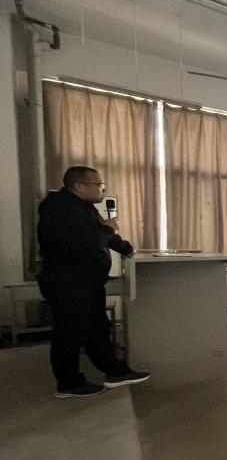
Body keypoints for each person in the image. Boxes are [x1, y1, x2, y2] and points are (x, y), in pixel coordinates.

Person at [37, 166, 150, 398]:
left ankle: (115, 371)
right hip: (68, 281)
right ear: (79, 186)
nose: (102, 189)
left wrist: (125, 247)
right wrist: (108, 230)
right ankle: (68, 384)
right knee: (70, 332)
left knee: (97, 327)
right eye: (98, 184)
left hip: (86, 280)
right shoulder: (61, 209)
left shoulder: (83, 207)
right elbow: (86, 243)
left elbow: (100, 234)